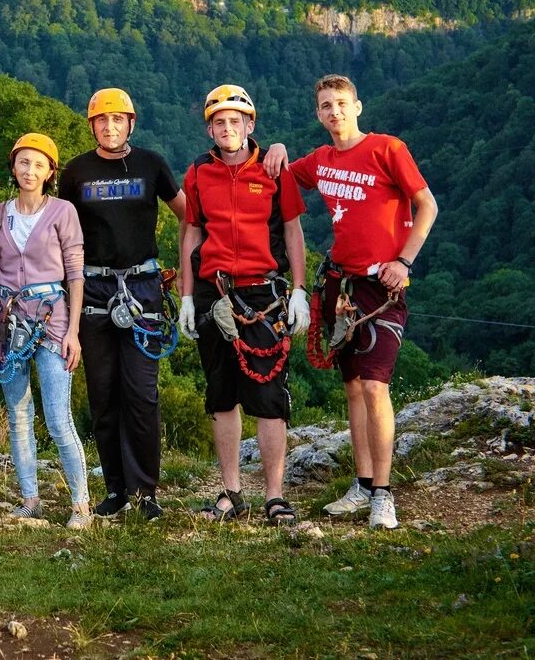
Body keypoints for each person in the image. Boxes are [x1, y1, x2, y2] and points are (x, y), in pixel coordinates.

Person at [272, 75, 437, 530]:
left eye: (341, 103)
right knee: (352, 388)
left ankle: (383, 494)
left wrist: (405, 261)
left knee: (374, 386)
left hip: (382, 287)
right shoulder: (321, 160)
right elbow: (282, 178)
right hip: (339, 286)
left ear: (358, 106)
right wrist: (280, 147)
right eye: (326, 106)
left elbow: (427, 205)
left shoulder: (388, 149)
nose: (334, 112)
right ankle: (362, 485)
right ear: (318, 114)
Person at [177, 85, 311, 526]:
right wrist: (185, 295)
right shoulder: (198, 172)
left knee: (269, 397)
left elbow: (292, 231)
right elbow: (191, 233)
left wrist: (298, 289)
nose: (228, 129)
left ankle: (275, 494)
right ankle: (232, 491)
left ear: (250, 125)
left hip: (262, 294)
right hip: (214, 292)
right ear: (210, 129)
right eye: (220, 122)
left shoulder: (274, 169)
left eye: (236, 121)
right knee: (222, 395)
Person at [58, 88, 186, 521]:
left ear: (131, 123)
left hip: (142, 286)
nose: (110, 128)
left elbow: (188, 214)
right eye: (102, 121)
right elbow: (62, 230)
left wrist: (187, 269)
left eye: (118, 120)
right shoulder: (76, 172)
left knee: (142, 394)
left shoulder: (152, 164)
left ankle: (146, 491)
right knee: (103, 394)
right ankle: (116, 489)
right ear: (92, 125)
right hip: (93, 290)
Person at [0, 134, 92, 529]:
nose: (30, 171)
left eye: (38, 165)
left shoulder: (62, 212)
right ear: (13, 167)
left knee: (57, 416)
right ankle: (30, 497)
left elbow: (76, 274)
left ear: (50, 172)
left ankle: (80, 503)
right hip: (8, 320)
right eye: (23, 163)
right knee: (17, 413)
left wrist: (74, 331)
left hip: (52, 320)